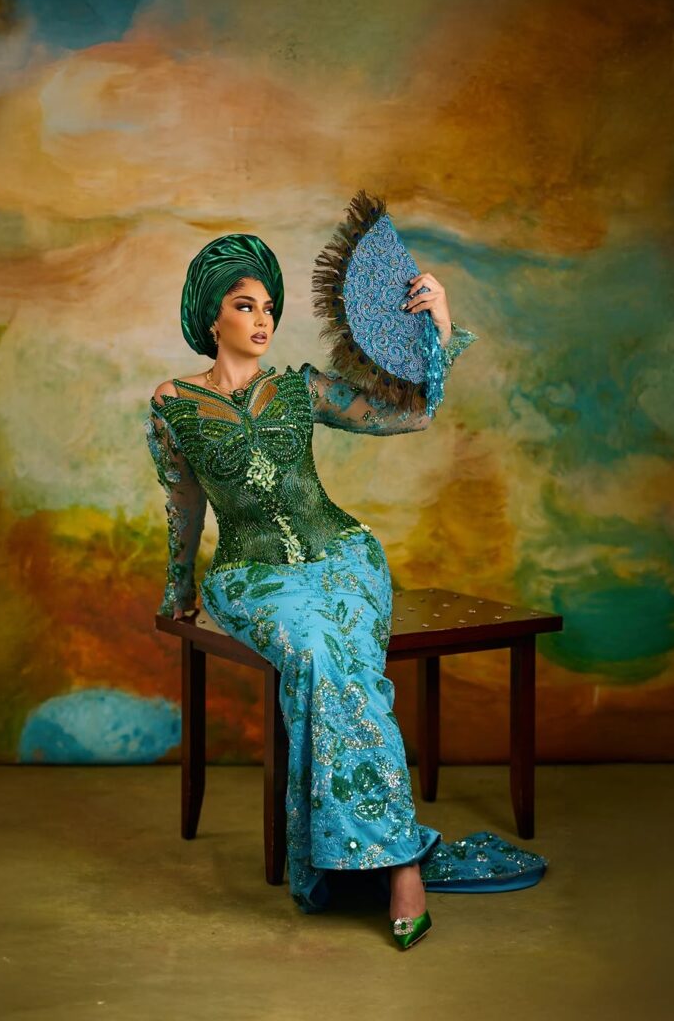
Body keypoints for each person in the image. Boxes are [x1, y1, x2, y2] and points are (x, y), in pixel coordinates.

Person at [145, 233, 548, 950]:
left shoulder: (302, 390)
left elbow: (413, 414)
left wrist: (440, 325)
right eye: (245, 306)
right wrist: (179, 589)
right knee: (315, 650)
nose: (263, 319)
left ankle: (396, 863)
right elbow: (184, 504)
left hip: (343, 557)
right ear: (212, 316)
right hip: (250, 576)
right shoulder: (172, 406)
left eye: (269, 307)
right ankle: (388, 857)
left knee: (341, 655)